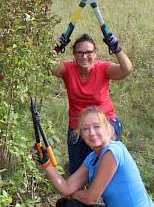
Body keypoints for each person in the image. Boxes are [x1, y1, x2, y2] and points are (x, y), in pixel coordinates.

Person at [37, 106, 154, 207]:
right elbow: (66, 188)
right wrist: (47, 164)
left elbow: (91, 198)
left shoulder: (112, 152)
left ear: (107, 128)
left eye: (97, 127)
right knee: (65, 205)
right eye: (86, 129)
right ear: (81, 135)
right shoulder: (92, 158)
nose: (92, 132)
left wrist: (73, 195)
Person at [51, 32, 133, 174]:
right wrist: (57, 48)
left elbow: (127, 69)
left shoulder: (103, 68)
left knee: (102, 149)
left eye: (88, 52)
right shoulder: (68, 69)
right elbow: (46, 65)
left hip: (106, 121)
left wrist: (116, 48)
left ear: (95, 54)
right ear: (74, 55)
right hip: (78, 126)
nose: (84, 56)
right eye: (80, 53)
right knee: (77, 172)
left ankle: (105, 176)